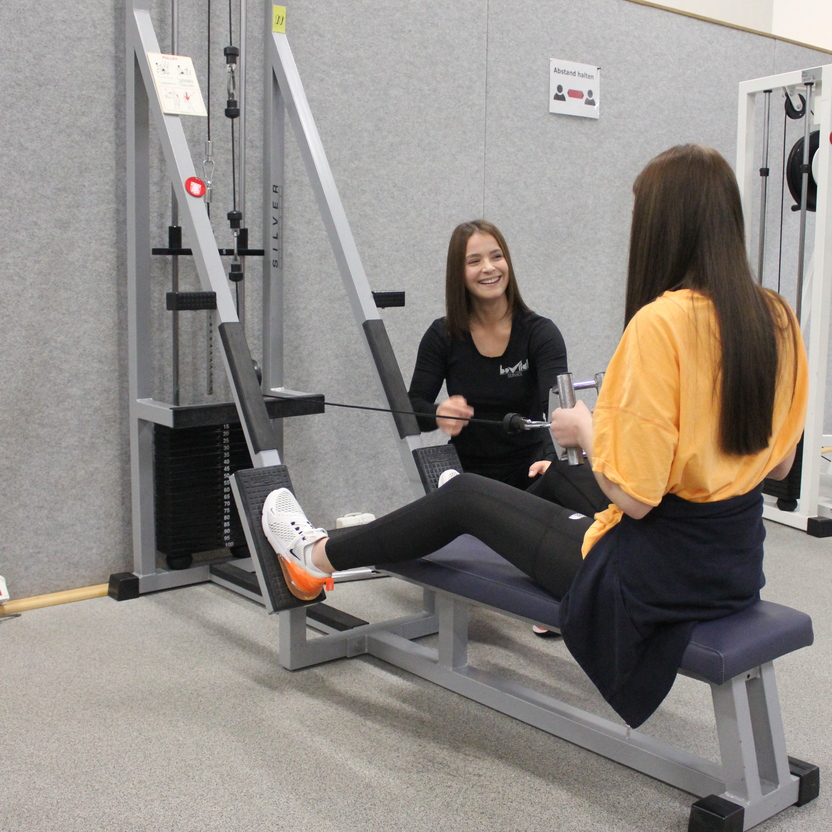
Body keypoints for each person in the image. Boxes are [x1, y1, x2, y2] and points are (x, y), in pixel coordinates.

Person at [261, 145, 808, 728]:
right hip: (735, 565)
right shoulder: (773, 315)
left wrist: (589, 433)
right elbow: (779, 468)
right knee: (535, 482)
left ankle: (314, 555)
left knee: (466, 495)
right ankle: (518, 518)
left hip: (654, 579)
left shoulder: (658, 324)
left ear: (661, 228)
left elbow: (637, 498)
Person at [407, 219, 605, 515]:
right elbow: (411, 410)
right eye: (474, 261)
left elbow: (555, 410)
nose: (489, 268)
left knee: (578, 483)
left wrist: (553, 461)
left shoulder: (540, 333)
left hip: (532, 472)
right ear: (458, 274)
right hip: (470, 481)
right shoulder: (442, 336)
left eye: (496, 256)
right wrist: (438, 413)